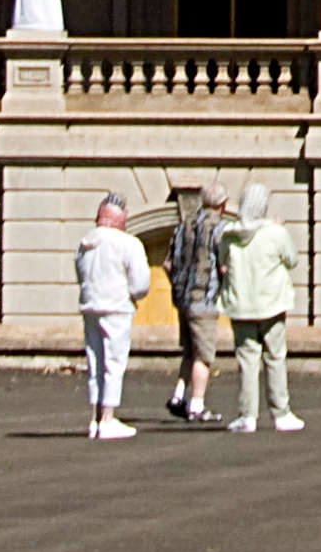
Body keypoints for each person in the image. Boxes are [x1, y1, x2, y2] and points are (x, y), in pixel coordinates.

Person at [214, 184, 300, 432]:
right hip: (271, 303)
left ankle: (247, 415)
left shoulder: (228, 235)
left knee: (247, 360)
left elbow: (222, 261)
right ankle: (281, 412)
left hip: (241, 304)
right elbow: (291, 260)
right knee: (275, 357)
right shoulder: (275, 233)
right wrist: (279, 228)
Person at [72, 193, 151, 441]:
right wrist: (131, 295)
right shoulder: (128, 244)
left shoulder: (84, 244)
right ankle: (108, 418)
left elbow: (80, 274)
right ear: (120, 220)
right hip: (116, 306)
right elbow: (141, 284)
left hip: (90, 305)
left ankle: (95, 418)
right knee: (114, 364)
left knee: (95, 363)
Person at [165, 186, 230, 424]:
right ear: (222, 204)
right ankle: (197, 405)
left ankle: (178, 395)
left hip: (183, 298)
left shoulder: (183, 226)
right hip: (204, 299)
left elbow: (167, 264)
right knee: (204, 356)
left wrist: (178, 285)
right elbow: (223, 266)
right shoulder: (220, 229)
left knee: (190, 352)